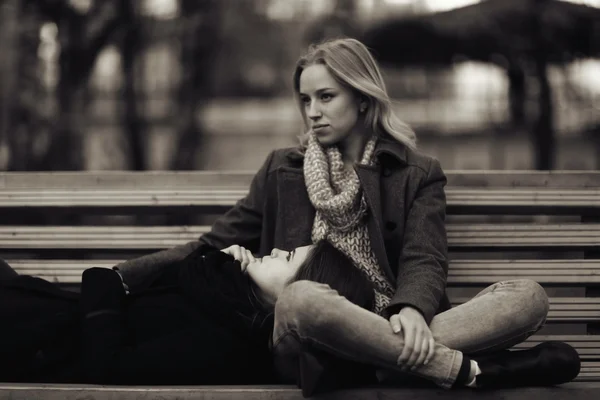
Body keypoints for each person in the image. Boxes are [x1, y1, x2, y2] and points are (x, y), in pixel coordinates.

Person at [110, 37, 580, 395]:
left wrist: (412, 309)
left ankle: (380, 361)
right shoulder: (281, 169)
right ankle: (462, 370)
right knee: (303, 301)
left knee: (528, 297)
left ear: (362, 96)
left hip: (393, 320)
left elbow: (425, 257)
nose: (312, 112)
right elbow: (213, 243)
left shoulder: (415, 174)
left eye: (326, 97)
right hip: (302, 335)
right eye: (305, 100)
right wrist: (122, 276)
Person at [0, 241, 372, 385]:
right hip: (33, 316)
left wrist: (109, 280)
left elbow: (106, 366)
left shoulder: (227, 347)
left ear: (298, 297)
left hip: (29, 343)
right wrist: (210, 258)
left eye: (288, 258)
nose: (275, 249)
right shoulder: (223, 303)